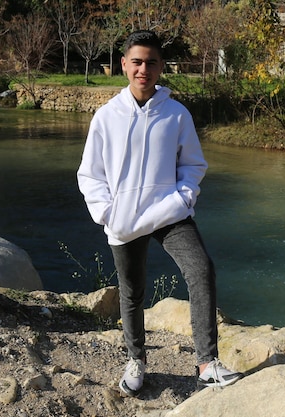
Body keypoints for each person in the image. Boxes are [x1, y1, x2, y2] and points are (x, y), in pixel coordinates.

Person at [77, 30, 243, 397]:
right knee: (133, 290)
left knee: (201, 269)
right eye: (136, 62)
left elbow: (194, 166)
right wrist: (107, 212)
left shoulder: (176, 114)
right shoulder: (106, 117)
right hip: (124, 218)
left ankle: (206, 363)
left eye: (151, 62)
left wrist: (182, 199)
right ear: (123, 65)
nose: (143, 69)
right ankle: (136, 360)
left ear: (161, 66)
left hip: (170, 212)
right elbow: (90, 173)